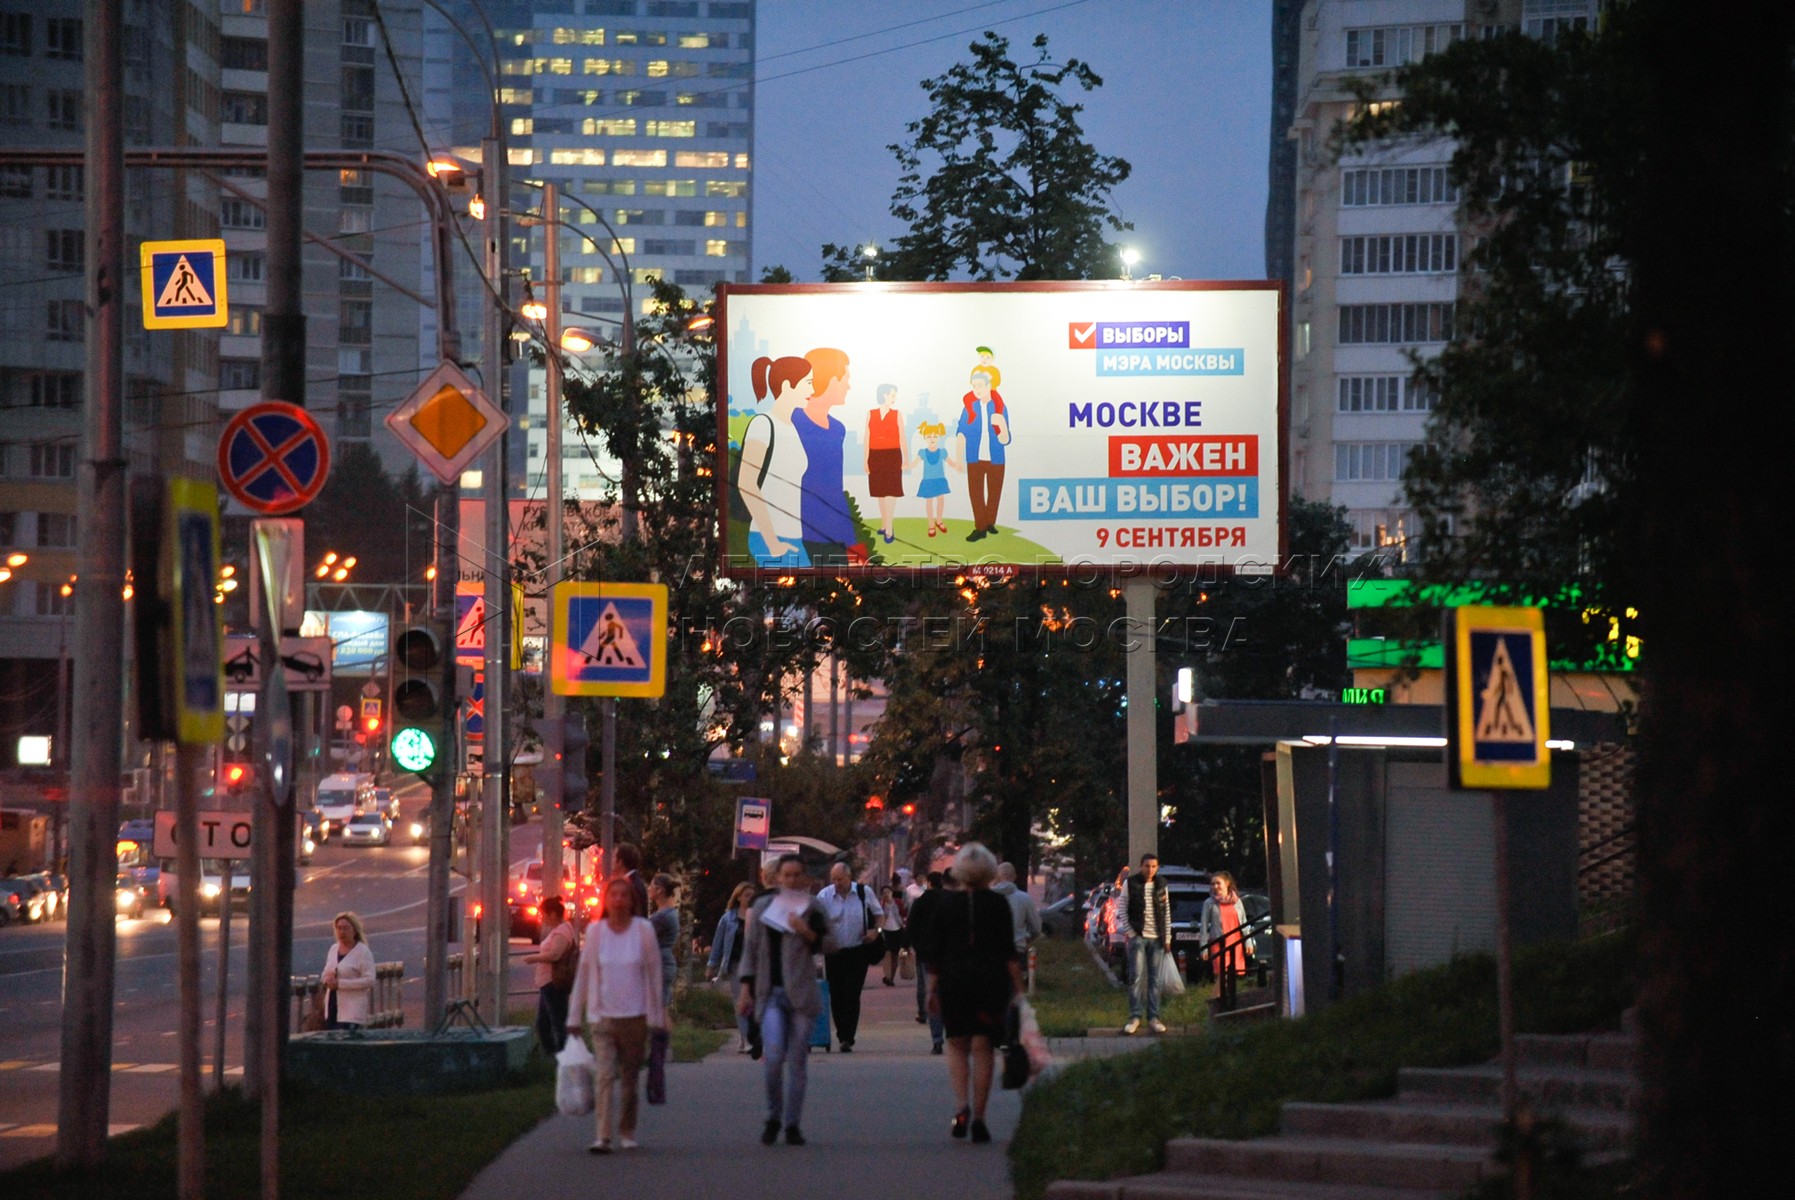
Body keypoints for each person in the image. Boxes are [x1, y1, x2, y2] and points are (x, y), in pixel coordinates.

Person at [918, 844, 1020, 1144]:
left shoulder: (946, 905)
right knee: (983, 1048)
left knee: (957, 1045)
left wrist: (931, 990)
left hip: (954, 982)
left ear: (959, 871)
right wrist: (1019, 991)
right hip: (991, 983)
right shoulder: (999, 905)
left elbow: (935, 953)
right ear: (990, 871)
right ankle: (980, 1118)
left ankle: (961, 1106)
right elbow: (1008, 952)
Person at [737, 853, 836, 1146]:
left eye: (797, 875)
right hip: (770, 994)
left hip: (802, 994)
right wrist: (746, 988)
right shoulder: (764, 906)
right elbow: (751, 950)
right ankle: (773, 1116)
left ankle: (792, 1123)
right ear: (777, 878)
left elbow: (832, 943)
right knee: (773, 1056)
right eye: (787, 875)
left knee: (797, 1060)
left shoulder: (813, 907)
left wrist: (807, 932)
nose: (792, 880)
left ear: (805, 879)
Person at [567, 876, 666, 1154]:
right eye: (614, 895)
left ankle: (627, 1130)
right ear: (606, 901)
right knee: (605, 1074)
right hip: (603, 1016)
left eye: (624, 895)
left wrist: (657, 1015)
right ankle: (602, 1136)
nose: (619, 900)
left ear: (632, 901)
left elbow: (654, 972)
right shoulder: (596, 931)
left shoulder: (643, 930)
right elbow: (584, 974)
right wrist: (574, 1016)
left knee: (630, 1078)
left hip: (635, 1015)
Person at [736, 354, 813, 567]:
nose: (812, 391)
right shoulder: (762, 424)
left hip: (791, 535)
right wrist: (772, 542)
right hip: (769, 538)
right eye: (808, 383)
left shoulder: (791, 427)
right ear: (788, 386)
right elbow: (746, 482)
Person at [795, 347, 864, 564]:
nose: (849, 386)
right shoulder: (792, 422)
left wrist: (852, 544)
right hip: (798, 535)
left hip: (833, 538)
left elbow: (835, 490)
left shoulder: (837, 430)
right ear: (832, 380)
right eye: (846, 379)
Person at [817, 861, 883, 1051]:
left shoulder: (864, 893)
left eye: (840, 879)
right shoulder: (825, 895)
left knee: (852, 993)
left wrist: (876, 931)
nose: (836, 883)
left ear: (849, 877)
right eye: (834, 879)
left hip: (857, 951)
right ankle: (841, 1033)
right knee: (836, 994)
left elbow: (879, 915)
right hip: (834, 952)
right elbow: (817, 919)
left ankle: (848, 1037)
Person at [955, 366, 1012, 542]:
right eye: (974, 386)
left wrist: (1001, 425)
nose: (977, 389)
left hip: (996, 458)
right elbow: (961, 433)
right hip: (975, 458)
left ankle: (989, 523)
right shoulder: (969, 408)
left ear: (989, 386)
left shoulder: (999, 407)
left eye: (980, 385)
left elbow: (1006, 439)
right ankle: (980, 527)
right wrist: (958, 459)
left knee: (995, 493)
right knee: (976, 493)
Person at [522, 895, 579, 1055]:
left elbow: (555, 955)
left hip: (553, 982)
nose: (542, 919)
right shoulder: (562, 929)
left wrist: (532, 958)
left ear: (553, 914)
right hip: (548, 983)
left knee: (557, 1021)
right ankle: (554, 1054)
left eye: (544, 915)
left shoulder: (562, 932)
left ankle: (563, 1055)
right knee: (544, 1023)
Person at [1122, 853, 1172, 1035]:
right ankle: (1134, 1017)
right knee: (1135, 976)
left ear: (1157, 867)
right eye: (1146, 866)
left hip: (1157, 938)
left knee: (1155, 979)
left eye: (1153, 866)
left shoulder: (1161, 885)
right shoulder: (1131, 884)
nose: (1150, 869)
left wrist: (1167, 938)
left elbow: (1166, 912)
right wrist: (1131, 932)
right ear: (1141, 866)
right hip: (1138, 936)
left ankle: (1154, 1017)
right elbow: (1122, 908)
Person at [707, 882, 758, 1052]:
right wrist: (712, 965)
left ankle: (749, 1037)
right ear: (738, 897)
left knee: (756, 1001)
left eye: (752, 895)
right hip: (736, 964)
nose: (750, 899)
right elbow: (718, 943)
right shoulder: (728, 918)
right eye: (746, 895)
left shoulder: (758, 915)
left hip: (756, 964)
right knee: (741, 1001)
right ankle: (746, 1038)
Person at [907, 870, 949, 1053]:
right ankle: (953, 1035)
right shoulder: (950, 900)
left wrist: (911, 945)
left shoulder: (921, 902)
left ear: (929, 884)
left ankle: (937, 1039)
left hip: (927, 955)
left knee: (931, 994)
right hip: (949, 955)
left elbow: (911, 925)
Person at [865, 383, 910, 544]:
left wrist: (906, 459)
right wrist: (866, 459)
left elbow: (902, 437)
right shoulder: (871, 414)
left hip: (892, 455)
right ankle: (884, 524)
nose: (894, 398)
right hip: (876, 456)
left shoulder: (897, 414)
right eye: (892, 395)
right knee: (880, 492)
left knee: (891, 491)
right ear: (884, 395)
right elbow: (867, 438)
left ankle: (889, 527)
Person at [907, 420, 963, 538]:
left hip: (940, 480)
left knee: (941, 500)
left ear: (939, 437)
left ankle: (939, 520)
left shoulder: (942, 452)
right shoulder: (922, 452)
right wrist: (906, 466)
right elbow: (914, 463)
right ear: (925, 438)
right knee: (929, 502)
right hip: (928, 480)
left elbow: (950, 462)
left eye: (935, 436)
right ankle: (931, 524)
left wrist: (957, 465)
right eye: (929, 436)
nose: (932, 438)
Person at [321, 911, 375, 1031]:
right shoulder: (334, 949)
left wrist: (341, 984)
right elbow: (326, 971)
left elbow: (370, 980)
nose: (342, 932)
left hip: (352, 1011)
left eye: (346, 928)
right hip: (332, 1007)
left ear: (354, 931)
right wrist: (327, 979)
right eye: (339, 928)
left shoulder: (362, 952)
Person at [1200, 871, 1251, 981]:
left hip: (1235, 942)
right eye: (1213, 884)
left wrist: (1248, 941)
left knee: (1232, 976)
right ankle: (1219, 997)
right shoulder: (1209, 903)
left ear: (1227, 883)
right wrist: (1203, 947)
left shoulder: (1236, 901)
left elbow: (1244, 922)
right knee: (1222, 976)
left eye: (1218, 883)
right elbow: (1204, 926)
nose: (1215, 886)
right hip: (1218, 943)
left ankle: (1227, 997)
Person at [992, 862, 1042, 956]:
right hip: (1017, 950)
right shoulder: (1025, 898)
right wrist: (1024, 939)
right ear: (1014, 877)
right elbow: (1036, 929)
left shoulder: (987, 897)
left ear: (997, 877)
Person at [648, 873, 681, 1012]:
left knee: (657, 1011)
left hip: (659, 963)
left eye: (651, 885)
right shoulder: (670, 913)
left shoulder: (661, 917)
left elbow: (644, 936)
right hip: (664, 962)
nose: (649, 888)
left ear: (659, 890)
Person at [612, 842, 650, 922]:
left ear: (620, 862)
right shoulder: (632, 882)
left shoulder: (633, 885)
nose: (612, 861)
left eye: (614, 857)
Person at [878, 883, 907, 986]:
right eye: (884, 893)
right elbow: (878, 919)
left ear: (892, 893)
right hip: (886, 931)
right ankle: (887, 975)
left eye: (888, 892)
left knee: (895, 955)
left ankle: (891, 978)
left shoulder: (898, 902)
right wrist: (878, 930)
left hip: (898, 930)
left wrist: (904, 923)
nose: (886, 894)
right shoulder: (880, 905)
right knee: (887, 955)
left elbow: (904, 913)